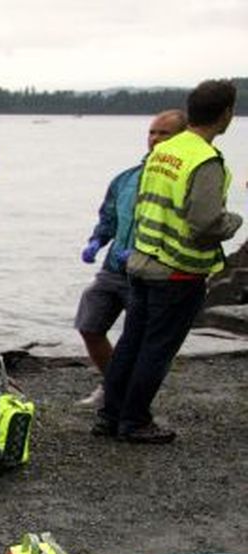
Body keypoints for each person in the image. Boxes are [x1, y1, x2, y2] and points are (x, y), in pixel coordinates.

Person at [98, 80, 242, 444]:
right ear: (226, 115)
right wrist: (235, 222)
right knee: (157, 349)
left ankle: (109, 415)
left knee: (131, 341)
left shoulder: (163, 151)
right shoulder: (205, 160)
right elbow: (205, 221)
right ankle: (134, 420)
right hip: (177, 270)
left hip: (143, 261)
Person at [74, 110, 188, 407]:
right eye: (152, 132)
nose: (156, 138)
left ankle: (129, 399)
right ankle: (113, 386)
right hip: (113, 269)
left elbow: (181, 227)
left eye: (165, 133)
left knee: (137, 341)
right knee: (90, 324)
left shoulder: (181, 179)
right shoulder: (126, 179)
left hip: (149, 271)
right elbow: (109, 217)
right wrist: (97, 241)